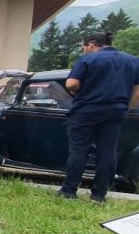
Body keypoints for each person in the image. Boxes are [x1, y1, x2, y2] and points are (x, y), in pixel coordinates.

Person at [58, 32, 139, 203]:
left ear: (92, 44)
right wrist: (125, 107)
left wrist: (83, 92)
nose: (84, 50)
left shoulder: (88, 60)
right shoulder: (132, 61)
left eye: (84, 47)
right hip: (116, 111)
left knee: (79, 150)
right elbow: (137, 92)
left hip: (86, 110)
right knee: (108, 151)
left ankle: (69, 190)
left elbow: (71, 83)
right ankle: (99, 194)